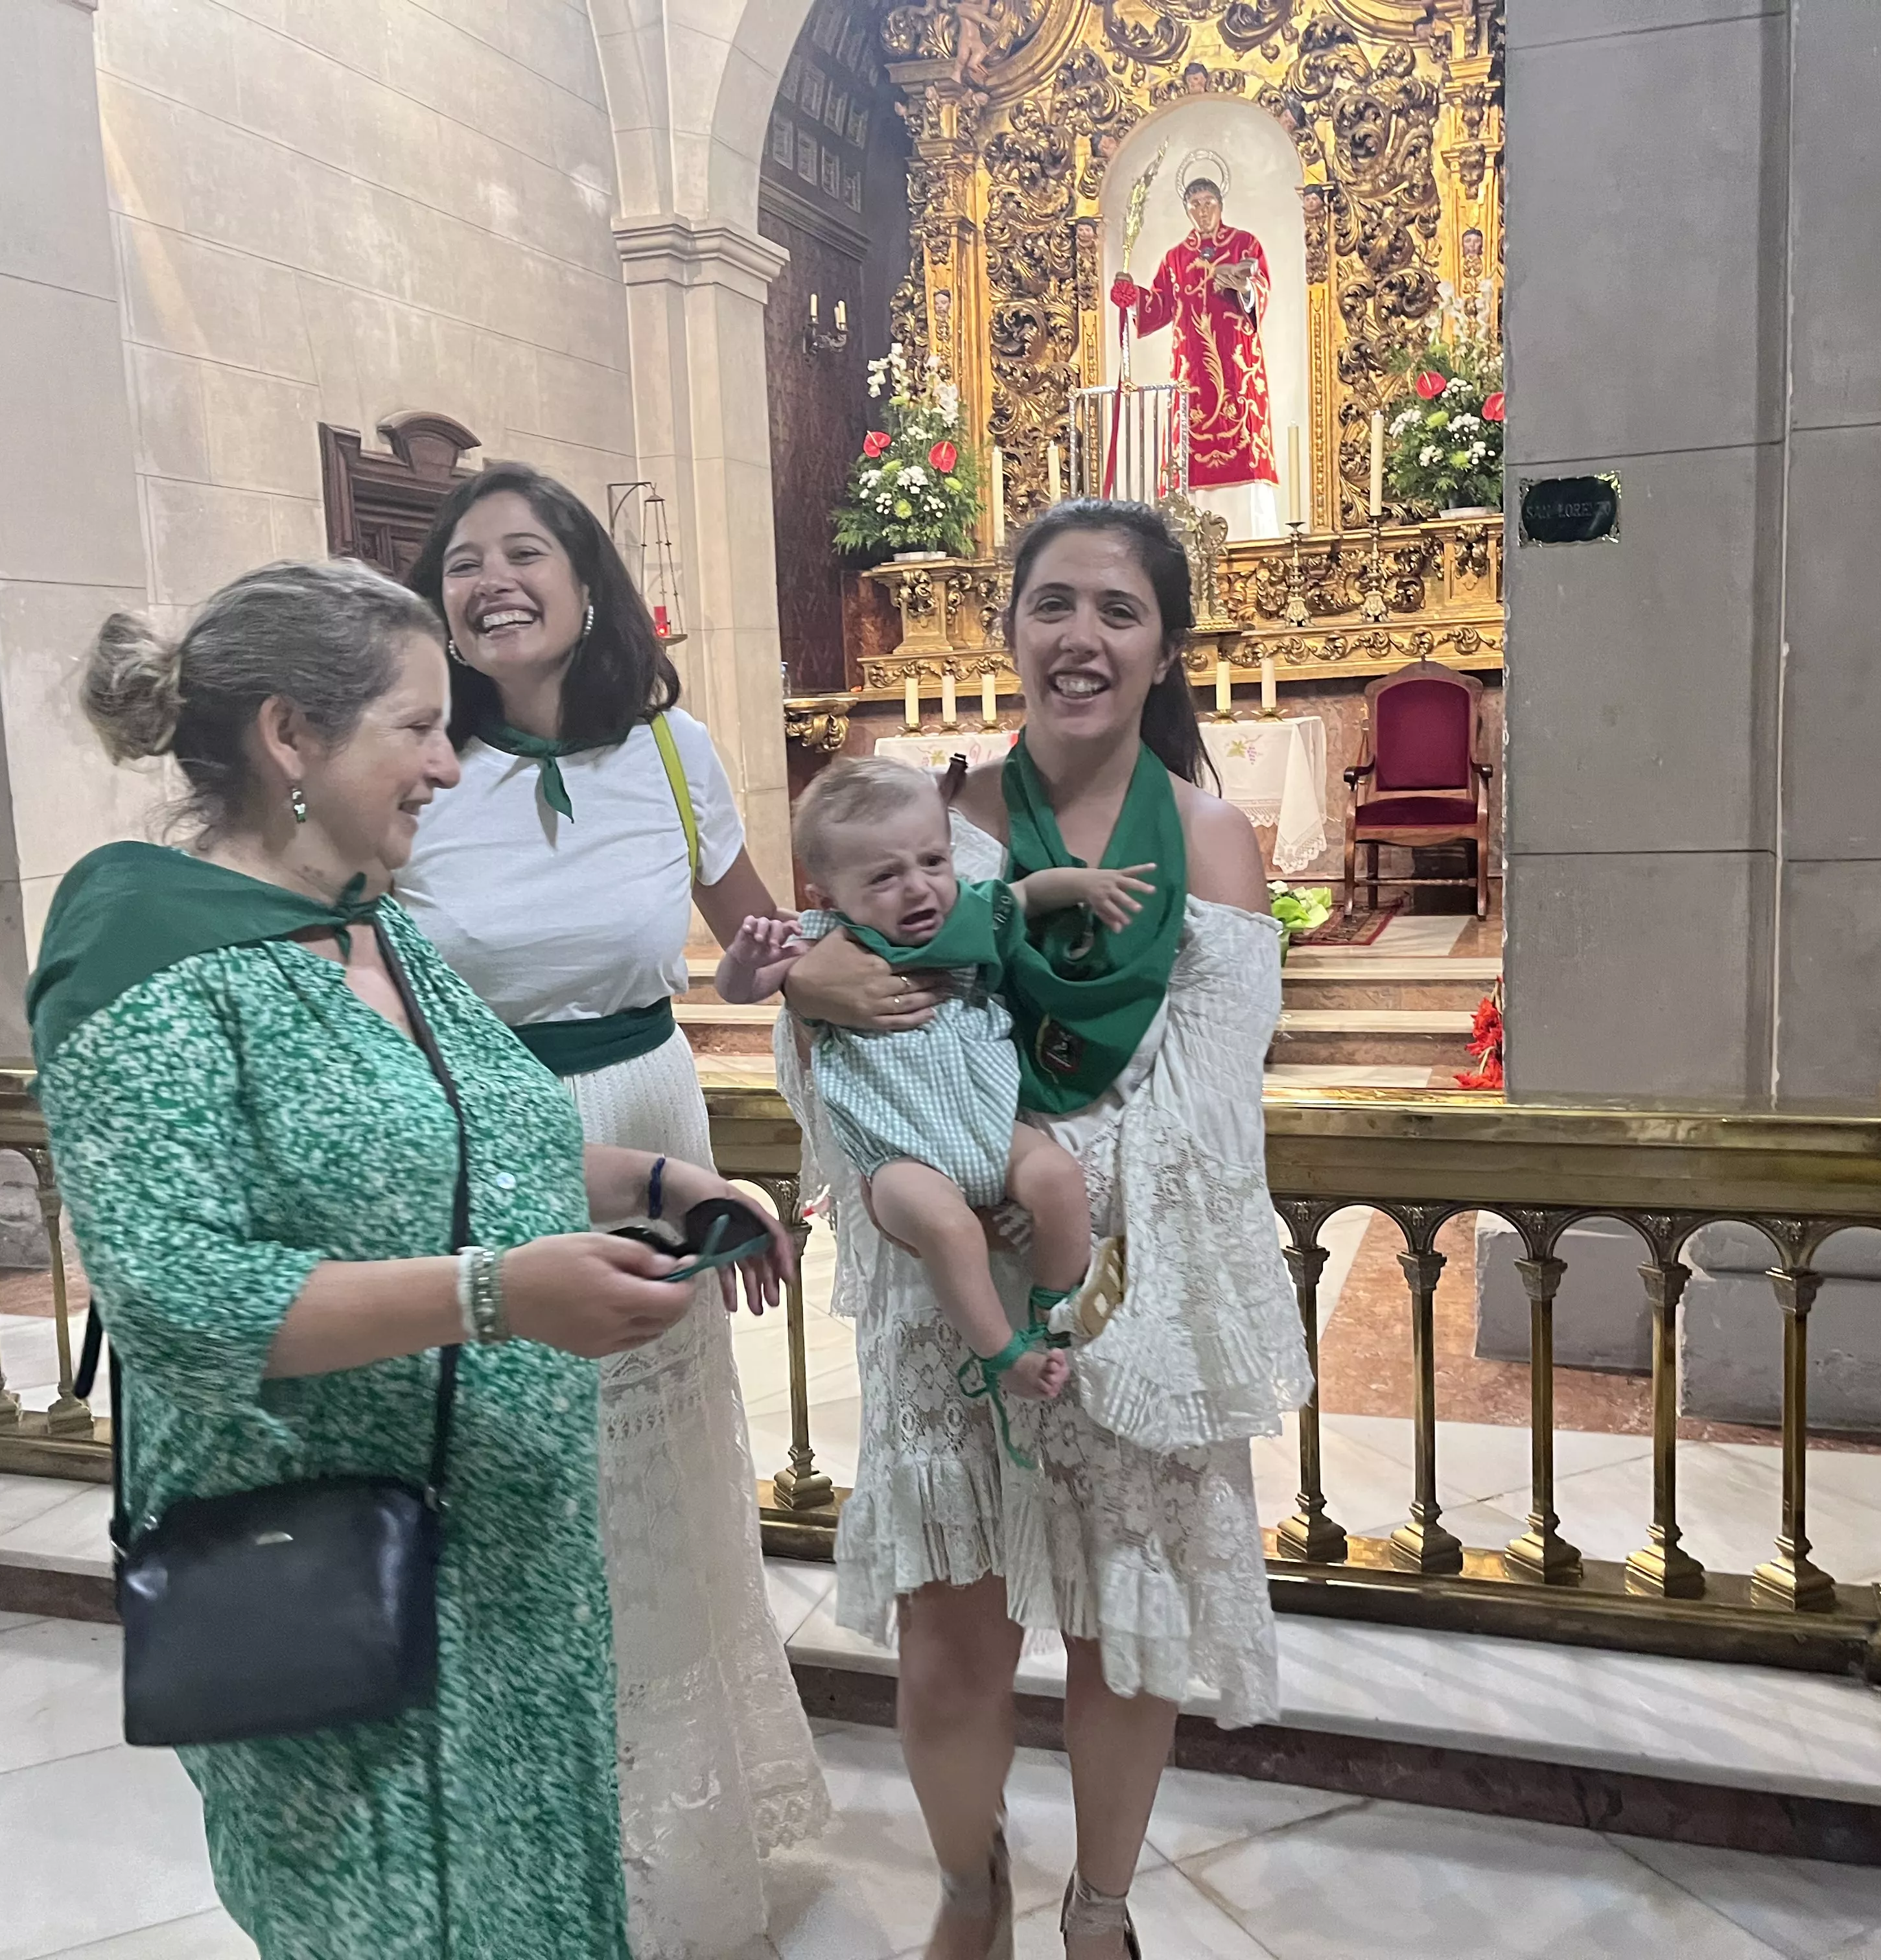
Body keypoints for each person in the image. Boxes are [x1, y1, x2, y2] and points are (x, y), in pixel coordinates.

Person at [29, 558, 789, 1959]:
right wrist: (494, 1296)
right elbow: (175, 1292)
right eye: (421, 727)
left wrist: (658, 1182)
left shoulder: (372, 923)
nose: (451, 764)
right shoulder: (145, 953)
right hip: (333, 1565)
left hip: (512, 1556)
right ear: (290, 736)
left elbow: (472, 1142)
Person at [777, 503, 1309, 1960]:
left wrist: (1051, 1171)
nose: (1082, 637)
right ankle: (970, 1886)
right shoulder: (921, 826)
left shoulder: (1209, 838)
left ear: (1166, 648)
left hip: (1128, 1286)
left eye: (1119, 610)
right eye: (1053, 604)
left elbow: (1214, 1103)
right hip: (950, 1289)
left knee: (1122, 1632)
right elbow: (832, 1053)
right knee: (951, 1645)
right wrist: (811, 999)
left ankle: (1101, 1906)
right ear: (1007, 628)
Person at [391, 465, 829, 1956]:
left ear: (589, 585)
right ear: (436, 607)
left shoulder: (673, 750)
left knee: (653, 1488)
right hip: (481, 1144)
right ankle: (533, 1842)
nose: (494, 580)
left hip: (651, 1122)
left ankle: (676, 1847)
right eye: (464, 562)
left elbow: (754, 939)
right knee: (515, 1489)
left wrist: (782, 967)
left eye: (527, 550)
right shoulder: (414, 763)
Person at [718, 758, 1154, 1450]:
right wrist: (747, 958)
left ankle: (1054, 1309)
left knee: (1056, 1179)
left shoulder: (968, 916)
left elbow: (1027, 895)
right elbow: (741, 990)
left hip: (987, 1126)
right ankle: (1003, 1354)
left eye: (933, 861)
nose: (919, 887)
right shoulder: (825, 944)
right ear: (826, 893)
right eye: (884, 877)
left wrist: (1087, 886)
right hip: (900, 1157)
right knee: (949, 1229)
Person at [1110, 172, 1280, 541]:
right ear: (1187, 211)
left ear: (1221, 205)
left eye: (1209, 204)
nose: (1203, 212)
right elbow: (1159, 306)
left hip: (1237, 375)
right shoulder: (1176, 258)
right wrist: (1133, 297)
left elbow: (1261, 291)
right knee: (1187, 462)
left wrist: (1244, 287)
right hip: (1191, 379)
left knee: (1242, 452)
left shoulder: (1244, 244)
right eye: (1195, 205)